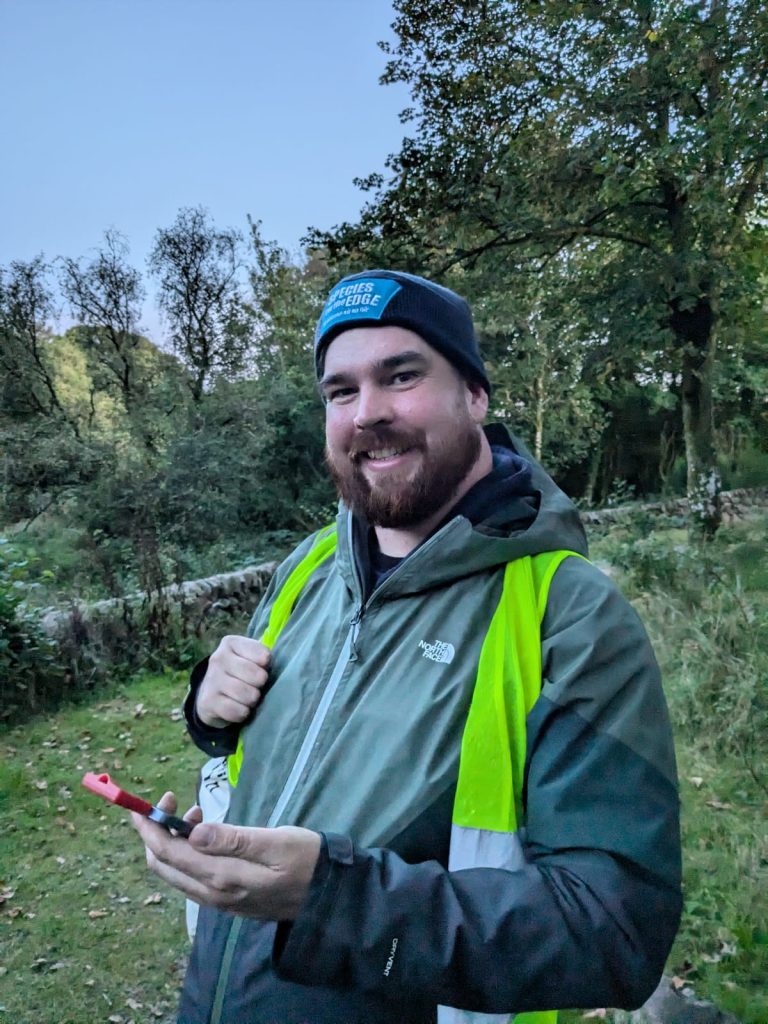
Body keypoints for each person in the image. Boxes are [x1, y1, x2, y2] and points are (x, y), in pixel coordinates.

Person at [132, 270, 682, 1024]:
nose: (368, 414)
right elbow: (269, 740)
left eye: (401, 376)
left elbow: (614, 931)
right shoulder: (311, 565)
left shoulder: (570, 613)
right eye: (341, 391)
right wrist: (208, 708)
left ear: (476, 395)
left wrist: (331, 898)